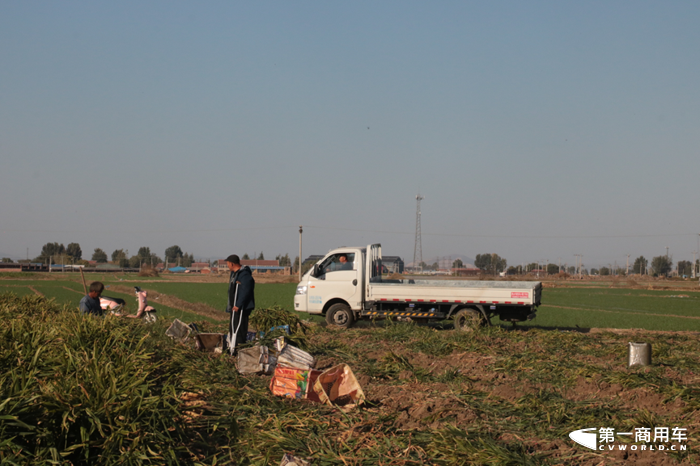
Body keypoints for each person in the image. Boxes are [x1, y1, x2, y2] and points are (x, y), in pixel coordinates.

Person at [225, 254, 255, 350]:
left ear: (232, 264)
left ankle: (238, 348)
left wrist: (238, 304)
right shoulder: (234, 273)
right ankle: (232, 347)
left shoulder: (244, 274)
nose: (227, 265)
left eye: (228, 263)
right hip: (234, 306)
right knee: (233, 327)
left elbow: (245, 291)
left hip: (241, 308)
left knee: (239, 328)